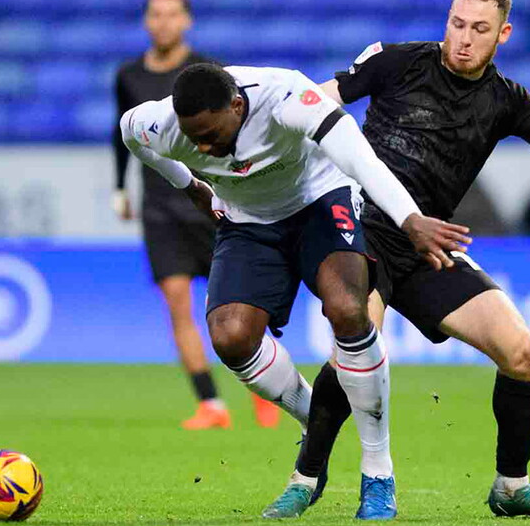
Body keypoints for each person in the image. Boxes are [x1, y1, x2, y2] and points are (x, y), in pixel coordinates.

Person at [266, 0, 530, 519]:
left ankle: (511, 487)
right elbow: (316, 102)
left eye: (479, 29)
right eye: (457, 23)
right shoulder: (397, 61)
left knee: (522, 354)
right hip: (365, 233)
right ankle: (305, 479)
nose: (462, 38)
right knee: (357, 345)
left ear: (503, 34)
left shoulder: (505, 99)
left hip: (429, 242)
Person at [119, 63, 469, 519]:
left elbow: (361, 159)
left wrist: (410, 219)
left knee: (348, 310)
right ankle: (315, 420)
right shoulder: (161, 124)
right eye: (193, 139)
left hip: (319, 200)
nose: (202, 147)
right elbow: (131, 137)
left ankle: (378, 471)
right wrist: (190, 186)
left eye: (209, 134)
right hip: (247, 220)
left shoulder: (287, 97)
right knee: (230, 337)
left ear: (237, 106)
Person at [112, 0, 281, 430]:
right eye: (155, 15)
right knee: (177, 303)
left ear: (186, 21)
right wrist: (119, 188)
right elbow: (123, 137)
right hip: (160, 205)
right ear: (147, 21)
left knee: (235, 302)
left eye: (171, 15)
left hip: (209, 198)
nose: (163, 23)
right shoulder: (127, 76)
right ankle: (210, 403)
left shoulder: (207, 73)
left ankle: (264, 386)